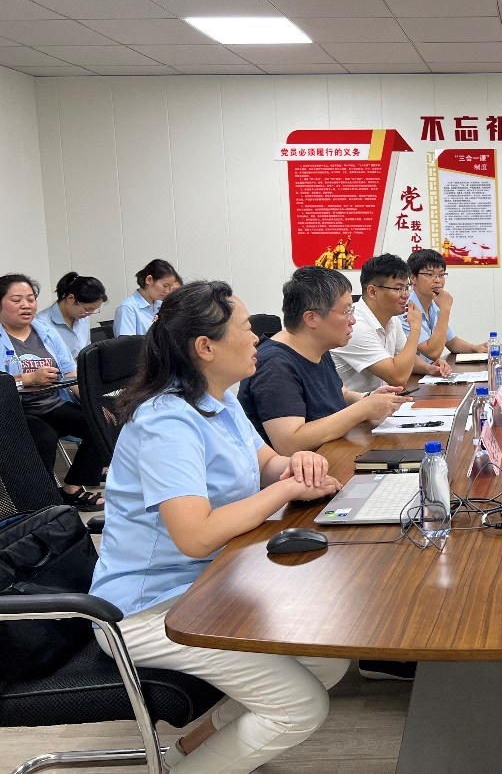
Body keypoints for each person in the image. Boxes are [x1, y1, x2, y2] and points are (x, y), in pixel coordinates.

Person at [89, 280, 347, 774]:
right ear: (205, 347)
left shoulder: (217, 399)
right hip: (148, 610)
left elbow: (265, 462)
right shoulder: (166, 422)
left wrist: (298, 467)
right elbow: (196, 536)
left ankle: (191, 751)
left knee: (325, 660)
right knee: (299, 707)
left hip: (209, 586)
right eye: (247, 328)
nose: (257, 339)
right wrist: (285, 491)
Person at [238, 266, 404, 456]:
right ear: (311, 318)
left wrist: (372, 398)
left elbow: (341, 394)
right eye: (346, 312)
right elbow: (290, 443)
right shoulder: (274, 365)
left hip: (331, 454)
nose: (353, 321)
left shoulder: (318, 347)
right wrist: (363, 410)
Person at [0, 273, 106, 509]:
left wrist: (93, 405)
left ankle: (72, 488)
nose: (26, 305)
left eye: (30, 299)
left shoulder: (44, 330)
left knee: (101, 422)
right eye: (16, 300)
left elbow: (70, 373)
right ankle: (46, 502)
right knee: (43, 436)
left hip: (50, 404)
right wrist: (28, 379)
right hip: (15, 412)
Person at [331, 253, 447, 391]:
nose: (406, 295)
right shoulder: (355, 325)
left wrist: (430, 368)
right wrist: (415, 328)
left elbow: (405, 356)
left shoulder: (392, 320)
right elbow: (398, 377)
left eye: (407, 287)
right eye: (398, 289)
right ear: (373, 292)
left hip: (381, 400)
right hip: (355, 403)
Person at [404, 249, 487, 361]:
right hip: (413, 372)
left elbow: (452, 342)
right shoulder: (405, 309)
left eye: (441, 275)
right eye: (430, 274)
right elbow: (432, 352)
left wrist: (474, 348)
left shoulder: (434, 304)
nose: (437, 280)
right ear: (413, 278)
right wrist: (445, 309)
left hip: (432, 370)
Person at [44, 272, 107, 358]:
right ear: (71, 299)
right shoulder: (41, 323)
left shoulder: (83, 318)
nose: (88, 314)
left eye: (94, 310)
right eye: (87, 309)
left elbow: (86, 350)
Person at [114, 259, 181, 336]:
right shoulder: (128, 308)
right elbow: (126, 342)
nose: (167, 291)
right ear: (149, 280)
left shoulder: (161, 305)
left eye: (170, 287)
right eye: (165, 286)